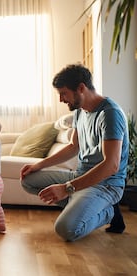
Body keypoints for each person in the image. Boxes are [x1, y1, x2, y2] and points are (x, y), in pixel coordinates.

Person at [20, 64, 128, 241]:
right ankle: (82, 202)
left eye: (64, 93)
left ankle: (108, 211)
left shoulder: (110, 114)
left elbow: (111, 165)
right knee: (28, 180)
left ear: (81, 88)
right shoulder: (80, 111)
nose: (61, 99)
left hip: (106, 184)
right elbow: (73, 146)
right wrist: (38, 165)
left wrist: (67, 188)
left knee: (66, 229)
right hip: (80, 176)